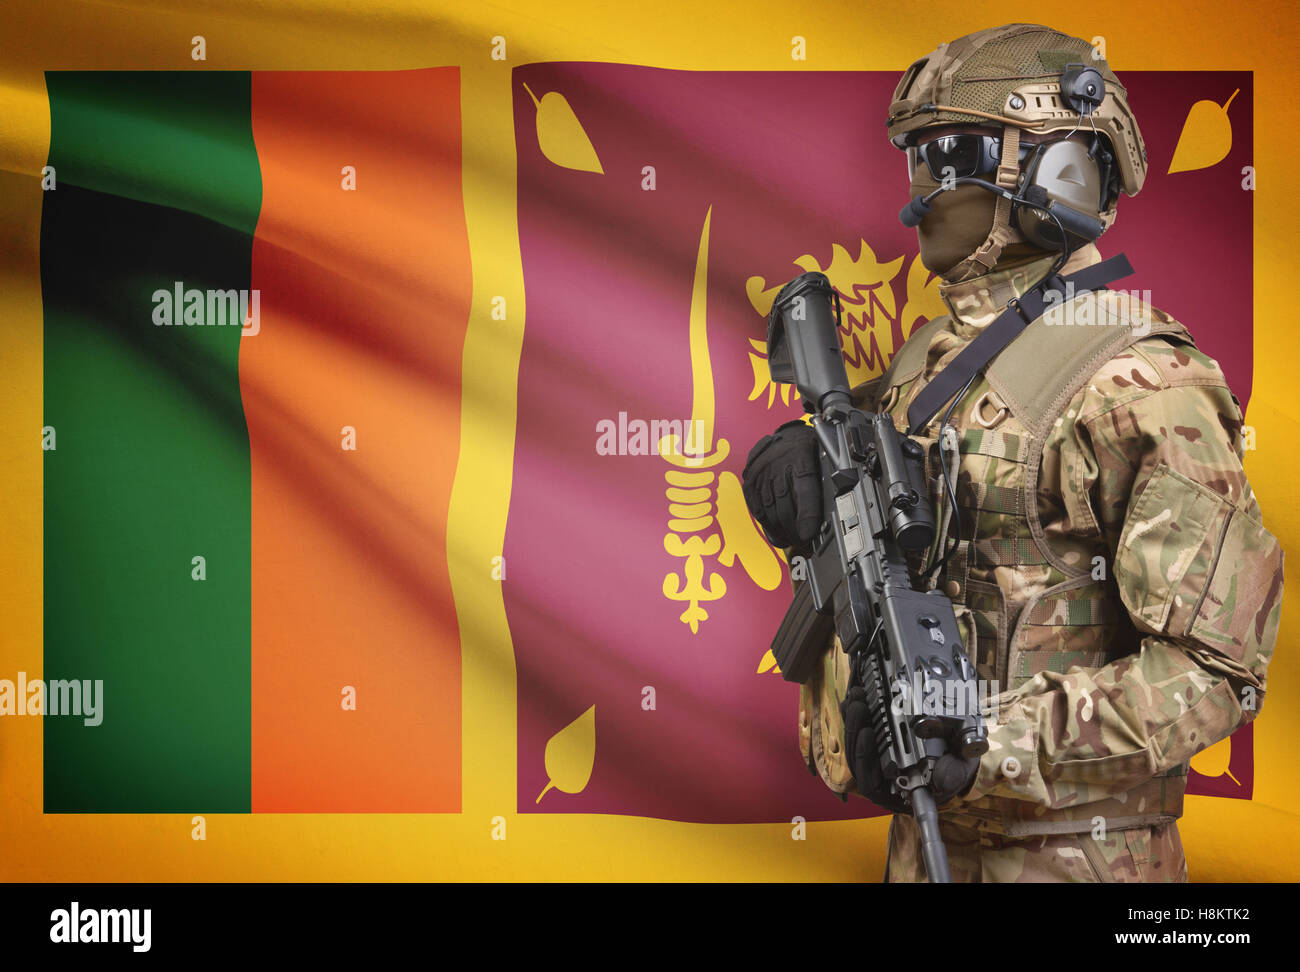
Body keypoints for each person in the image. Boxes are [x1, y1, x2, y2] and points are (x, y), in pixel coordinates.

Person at [742, 23, 1284, 882]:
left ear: (1051, 171)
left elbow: (1213, 670)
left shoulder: (1142, 380)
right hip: (923, 852)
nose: (922, 185)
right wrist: (795, 468)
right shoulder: (933, 354)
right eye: (917, 155)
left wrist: (985, 739)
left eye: (947, 151)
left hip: (1079, 864)